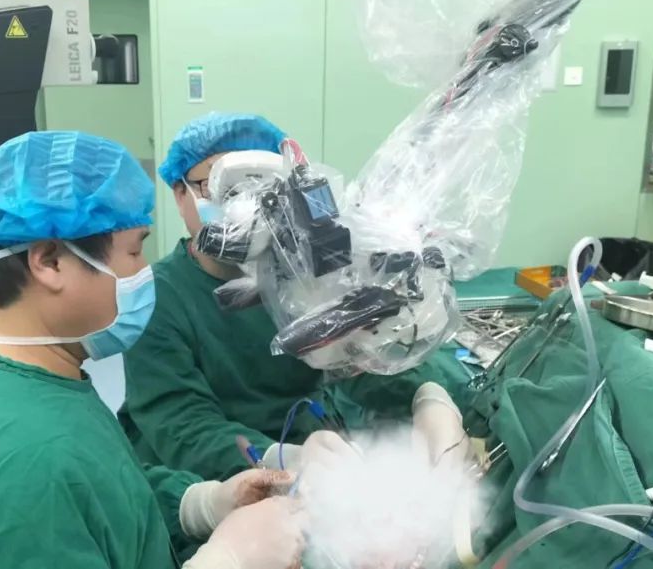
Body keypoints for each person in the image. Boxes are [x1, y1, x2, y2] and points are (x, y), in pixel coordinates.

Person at [0, 131, 305, 569]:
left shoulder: (21, 378)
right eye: (134, 250)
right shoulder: (20, 461)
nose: (144, 272)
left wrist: (198, 505)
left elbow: (101, 492)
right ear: (50, 261)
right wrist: (227, 561)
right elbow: (53, 492)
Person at [120, 113, 431, 481]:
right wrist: (276, 458)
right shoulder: (158, 296)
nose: (239, 206)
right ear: (179, 193)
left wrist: (427, 399)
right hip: (210, 476)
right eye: (215, 186)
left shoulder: (302, 279)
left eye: (256, 187)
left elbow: (357, 364)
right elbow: (180, 423)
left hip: (309, 451)